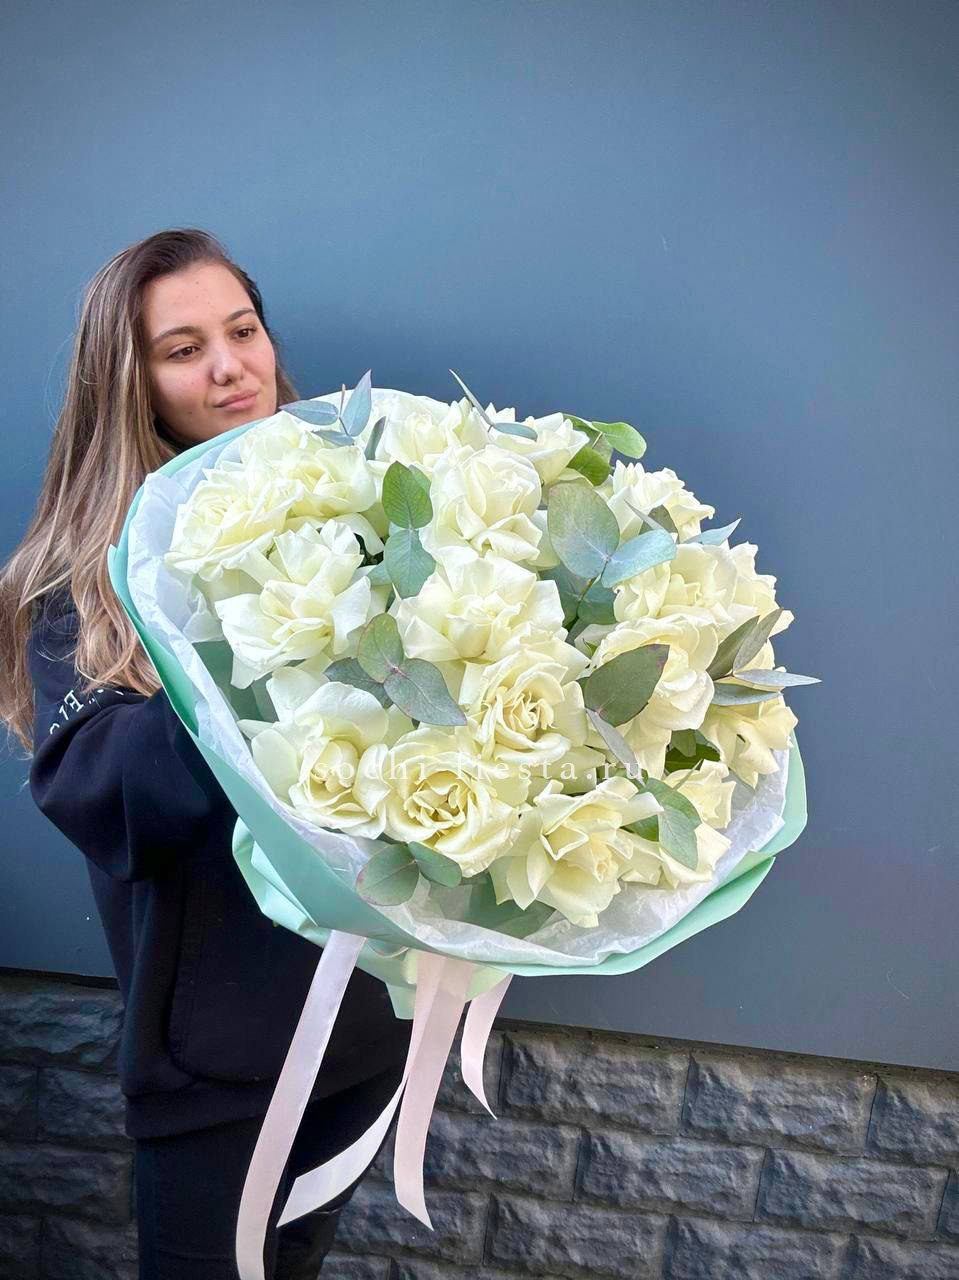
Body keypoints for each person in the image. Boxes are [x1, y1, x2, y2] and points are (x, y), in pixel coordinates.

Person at [0, 228, 412, 1277]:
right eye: (183, 350)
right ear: (127, 382)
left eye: (243, 330)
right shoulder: (81, 581)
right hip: (217, 1060)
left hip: (368, 1023)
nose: (230, 366)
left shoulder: (367, 513)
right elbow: (109, 798)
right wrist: (262, 644)